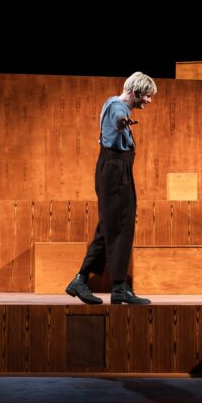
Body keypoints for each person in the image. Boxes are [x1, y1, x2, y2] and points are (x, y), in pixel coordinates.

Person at [65, 72, 157, 305]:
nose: (149, 101)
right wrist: (121, 123)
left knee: (109, 226)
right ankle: (118, 287)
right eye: (147, 96)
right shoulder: (118, 108)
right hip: (114, 170)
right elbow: (117, 118)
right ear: (135, 92)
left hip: (117, 169)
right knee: (120, 227)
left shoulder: (114, 103)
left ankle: (82, 279)